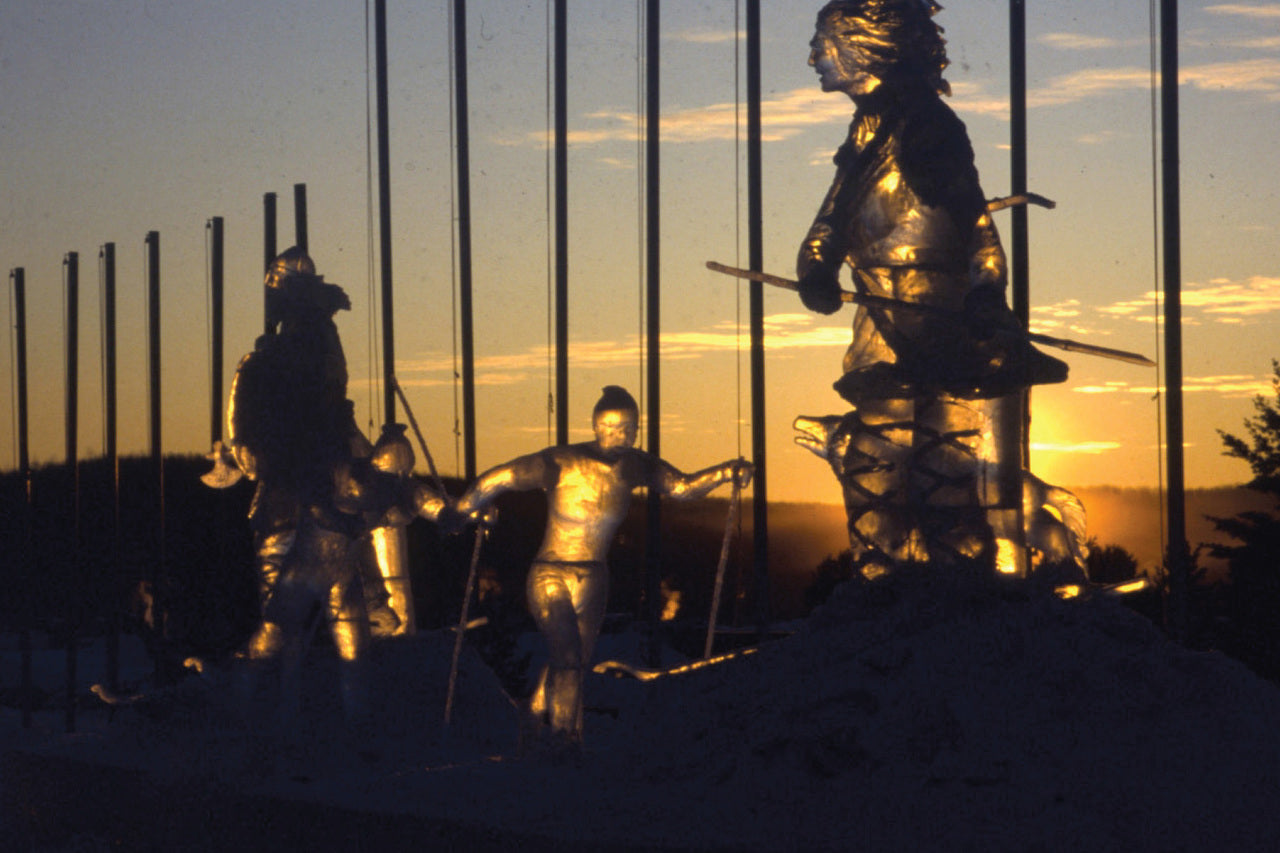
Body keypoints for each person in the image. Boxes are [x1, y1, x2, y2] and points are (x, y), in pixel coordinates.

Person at [794, 0, 1067, 577]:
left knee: (942, 477)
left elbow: (973, 225)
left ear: (863, 47)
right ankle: (882, 592)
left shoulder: (927, 126)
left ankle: (953, 595)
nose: (814, 56)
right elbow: (839, 211)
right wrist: (818, 264)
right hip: (880, 326)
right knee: (879, 468)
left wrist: (986, 294)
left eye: (824, 42)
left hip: (936, 326)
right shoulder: (869, 127)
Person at [454, 386, 752, 744]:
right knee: (567, 655)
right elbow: (498, 478)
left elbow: (682, 487)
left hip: (594, 577)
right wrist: (462, 510)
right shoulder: (560, 462)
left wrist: (725, 472)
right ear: (600, 427)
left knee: (574, 662)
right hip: (552, 572)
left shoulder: (636, 465)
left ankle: (533, 713)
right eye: (619, 428)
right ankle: (566, 738)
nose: (627, 436)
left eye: (633, 428)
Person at [225, 247, 447, 717]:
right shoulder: (264, 365)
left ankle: (348, 714)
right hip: (295, 515)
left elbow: (398, 493)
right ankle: (264, 715)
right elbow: (247, 447)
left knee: (353, 637)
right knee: (278, 633)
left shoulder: (289, 359)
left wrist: (449, 511)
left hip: (326, 533)